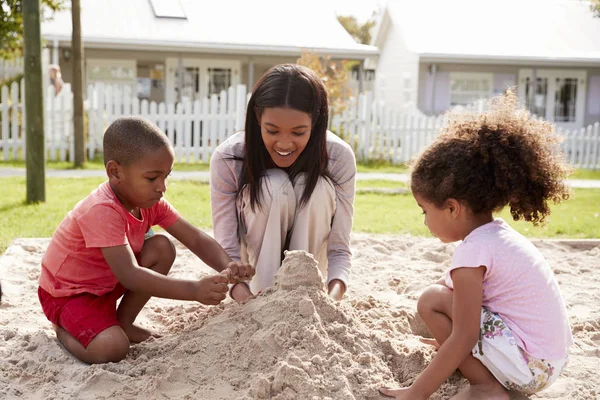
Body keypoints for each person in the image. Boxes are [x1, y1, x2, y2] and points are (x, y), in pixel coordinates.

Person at [380, 91, 573, 400]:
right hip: (551, 360)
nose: (425, 221)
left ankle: (485, 386)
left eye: (424, 210)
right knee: (446, 299)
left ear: (453, 208)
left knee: (430, 299)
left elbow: (465, 334)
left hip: (529, 368)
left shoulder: (472, 254)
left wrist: (416, 392)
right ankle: (483, 368)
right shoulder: (496, 235)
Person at [38, 116, 254, 364]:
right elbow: (129, 274)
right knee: (113, 348)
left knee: (162, 247)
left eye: (166, 176)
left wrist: (229, 266)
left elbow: (195, 238)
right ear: (115, 172)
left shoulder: (148, 202)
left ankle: (124, 321)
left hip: (104, 283)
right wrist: (193, 290)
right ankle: (63, 331)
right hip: (68, 294)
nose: (162, 187)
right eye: (152, 178)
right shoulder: (102, 209)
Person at [210, 64, 356, 304]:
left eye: (298, 132)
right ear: (258, 116)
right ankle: (266, 292)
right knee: (273, 184)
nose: (284, 143)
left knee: (314, 186)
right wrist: (247, 300)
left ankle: (302, 290)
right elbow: (227, 251)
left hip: (311, 292)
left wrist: (330, 300)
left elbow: (340, 248)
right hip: (254, 278)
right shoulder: (229, 157)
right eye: (272, 130)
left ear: (316, 121)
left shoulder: (338, 156)